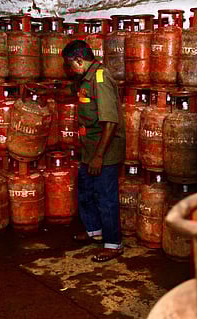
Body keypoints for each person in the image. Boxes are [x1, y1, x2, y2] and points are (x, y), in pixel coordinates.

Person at [61, 40, 126, 262]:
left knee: (105, 196)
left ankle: (113, 244)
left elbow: (110, 120)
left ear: (80, 60)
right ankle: (94, 231)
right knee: (86, 190)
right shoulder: (85, 78)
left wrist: (99, 156)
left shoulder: (100, 78)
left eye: (70, 65)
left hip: (104, 150)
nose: (69, 70)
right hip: (89, 148)